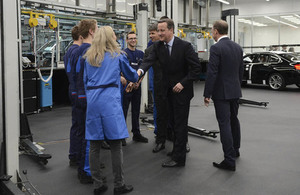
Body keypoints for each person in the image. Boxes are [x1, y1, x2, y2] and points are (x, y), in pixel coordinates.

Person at [138, 19, 201, 167]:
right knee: (172, 124)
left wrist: (182, 83)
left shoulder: (185, 46)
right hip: (167, 93)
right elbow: (148, 61)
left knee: (180, 124)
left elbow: (196, 69)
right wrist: (139, 72)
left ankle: (179, 159)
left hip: (182, 93)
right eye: (158, 31)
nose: (159, 33)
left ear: (171, 30)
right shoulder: (158, 47)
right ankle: (176, 151)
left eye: (162, 30)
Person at [83, 26, 137, 195]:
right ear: (110, 38)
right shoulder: (118, 56)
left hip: (93, 102)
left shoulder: (89, 58)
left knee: (94, 145)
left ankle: (97, 185)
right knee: (115, 144)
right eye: (114, 35)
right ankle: (119, 184)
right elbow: (133, 76)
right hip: (110, 103)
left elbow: (85, 81)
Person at [203, 20, 243, 172]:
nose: (212, 33)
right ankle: (235, 150)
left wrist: (207, 93)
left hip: (221, 93)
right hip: (235, 91)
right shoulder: (237, 47)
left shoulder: (216, 48)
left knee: (224, 124)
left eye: (212, 30)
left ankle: (229, 160)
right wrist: (236, 87)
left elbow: (212, 72)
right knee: (234, 120)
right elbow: (240, 71)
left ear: (216, 31)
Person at [71, 19, 98, 183]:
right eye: (97, 29)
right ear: (91, 31)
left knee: (81, 133)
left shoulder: (75, 49)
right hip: (87, 97)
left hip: (78, 95)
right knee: (89, 135)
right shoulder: (89, 50)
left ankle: (82, 167)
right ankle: (86, 172)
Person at [145, 23, 168, 153]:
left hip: (170, 84)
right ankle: (159, 134)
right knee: (158, 110)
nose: (152, 35)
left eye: (154, 33)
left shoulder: (172, 46)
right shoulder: (150, 47)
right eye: (152, 33)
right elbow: (146, 63)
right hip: (157, 82)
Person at [123, 31, 148, 143]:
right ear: (127, 40)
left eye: (134, 38)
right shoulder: (123, 53)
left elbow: (143, 69)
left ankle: (136, 133)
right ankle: (121, 136)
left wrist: (138, 82)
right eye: (130, 38)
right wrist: (130, 82)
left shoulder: (141, 54)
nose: (133, 40)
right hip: (127, 87)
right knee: (123, 111)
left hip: (137, 87)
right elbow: (122, 70)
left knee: (136, 111)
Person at [63, 25, 83, 166]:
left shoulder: (69, 50)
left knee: (76, 123)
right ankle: (79, 156)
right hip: (77, 90)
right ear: (81, 36)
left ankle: (73, 154)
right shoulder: (78, 51)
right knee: (81, 125)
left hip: (72, 89)